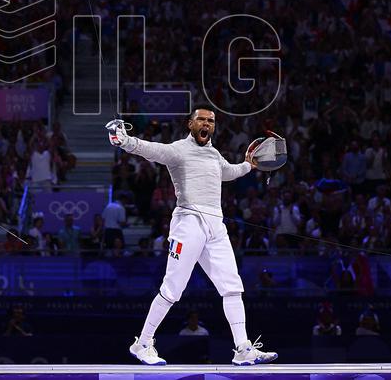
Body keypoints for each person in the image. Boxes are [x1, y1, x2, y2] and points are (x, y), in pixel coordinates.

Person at [107, 107, 278, 366]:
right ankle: (142, 343)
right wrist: (125, 141)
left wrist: (248, 165)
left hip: (216, 227)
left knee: (232, 287)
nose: (206, 123)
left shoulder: (214, 154)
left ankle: (242, 348)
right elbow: (151, 149)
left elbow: (227, 172)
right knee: (173, 289)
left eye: (210, 120)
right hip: (189, 223)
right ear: (191, 124)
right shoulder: (178, 150)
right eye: (201, 119)